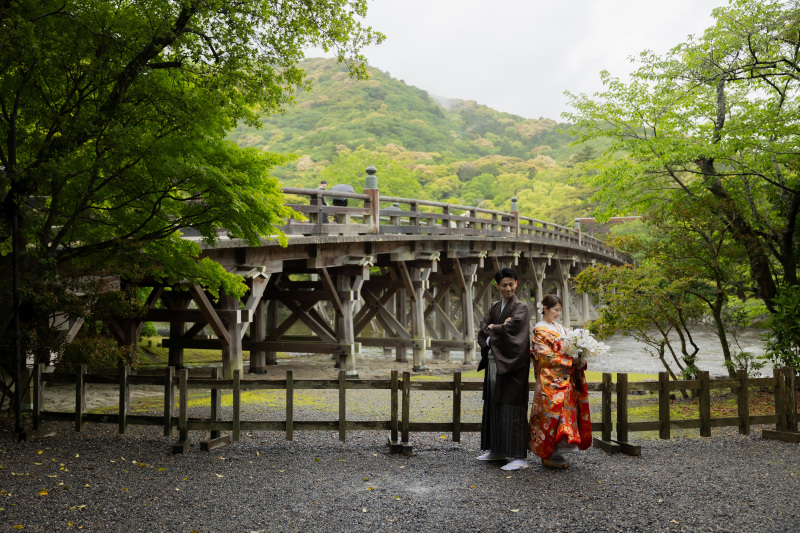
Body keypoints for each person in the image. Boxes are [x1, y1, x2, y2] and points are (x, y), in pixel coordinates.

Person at [476, 267, 531, 471]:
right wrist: (496, 329)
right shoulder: (494, 306)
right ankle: (496, 450)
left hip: (513, 365)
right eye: (504, 285)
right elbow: (483, 326)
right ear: (497, 286)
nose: (508, 288)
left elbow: (514, 329)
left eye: (511, 284)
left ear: (516, 284)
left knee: (512, 408)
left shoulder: (521, 307)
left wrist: (494, 328)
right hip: (494, 362)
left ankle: (520, 456)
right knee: (493, 405)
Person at [529, 294, 592, 469]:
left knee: (565, 415)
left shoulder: (561, 328)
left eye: (560, 310)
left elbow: (569, 348)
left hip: (565, 379)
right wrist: (569, 361)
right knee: (550, 416)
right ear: (545, 309)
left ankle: (557, 451)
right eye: (555, 310)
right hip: (550, 381)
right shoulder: (539, 330)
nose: (558, 313)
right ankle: (548, 454)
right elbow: (543, 354)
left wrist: (580, 356)